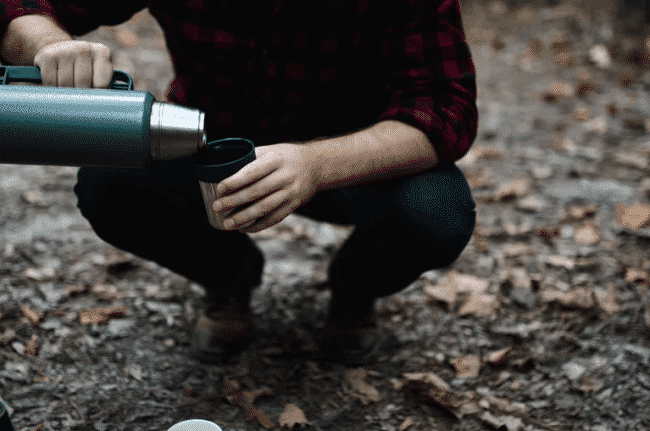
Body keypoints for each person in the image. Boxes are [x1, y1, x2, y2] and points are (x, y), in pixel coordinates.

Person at [0, 0, 478, 365]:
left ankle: (355, 290)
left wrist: (315, 165)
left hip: (354, 156)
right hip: (209, 140)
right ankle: (227, 279)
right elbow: (23, 5)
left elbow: (445, 106)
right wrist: (45, 42)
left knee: (436, 214)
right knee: (110, 184)